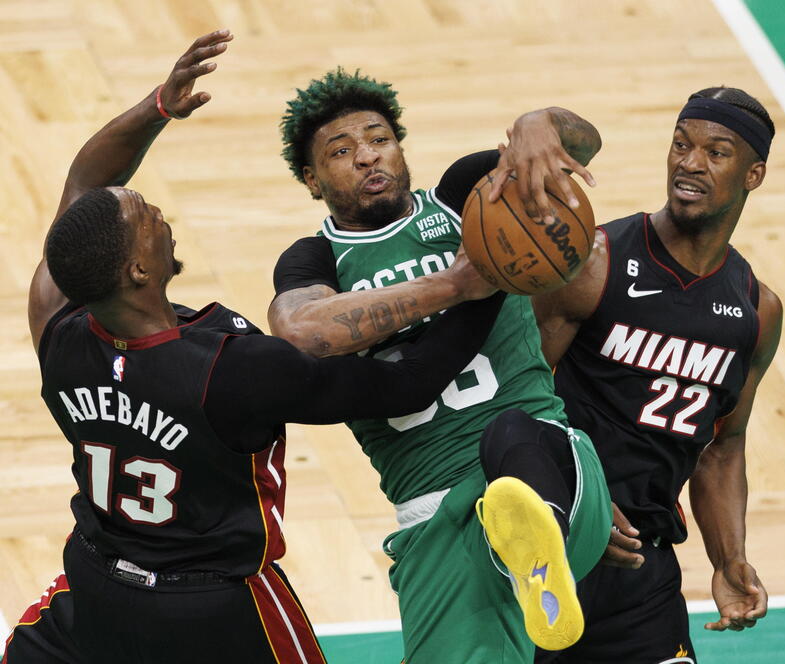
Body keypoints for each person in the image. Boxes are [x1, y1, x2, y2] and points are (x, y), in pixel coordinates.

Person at [4, 32, 506, 664]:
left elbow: (85, 180)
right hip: (216, 611)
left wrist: (158, 106)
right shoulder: (235, 370)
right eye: (146, 215)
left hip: (99, 584)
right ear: (137, 270)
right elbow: (405, 383)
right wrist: (476, 284)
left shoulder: (58, 331)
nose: (160, 212)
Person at [270, 69, 613, 663]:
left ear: (401, 145)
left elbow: (579, 144)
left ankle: (537, 541)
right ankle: (528, 564)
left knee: (513, 437)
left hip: (545, 463)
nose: (366, 157)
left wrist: (539, 124)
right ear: (311, 179)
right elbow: (304, 331)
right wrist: (457, 283)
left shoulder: (467, 197)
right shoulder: (313, 260)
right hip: (433, 516)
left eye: (378, 138)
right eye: (341, 151)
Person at [532, 87, 782, 664]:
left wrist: (728, 558)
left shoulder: (755, 309)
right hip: (551, 543)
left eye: (717, 152)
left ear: (754, 175)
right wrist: (583, 496)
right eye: (680, 145)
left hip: (643, 566)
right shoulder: (596, 260)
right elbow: (518, 392)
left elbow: (722, 447)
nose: (690, 163)